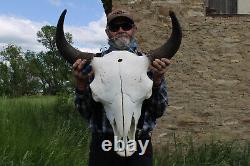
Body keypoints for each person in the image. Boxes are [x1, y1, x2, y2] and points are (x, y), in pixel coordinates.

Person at [73, 9, 170, 166]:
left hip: (140, 145)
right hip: (103, 146)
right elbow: (85, 111)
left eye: (126, 25)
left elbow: (158, 110)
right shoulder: (92, 66)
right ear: (108, 32)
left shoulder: (152, 66)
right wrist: (81, 84)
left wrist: (158, 80)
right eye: (114, 27)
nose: (120, 31)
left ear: (134, 29)